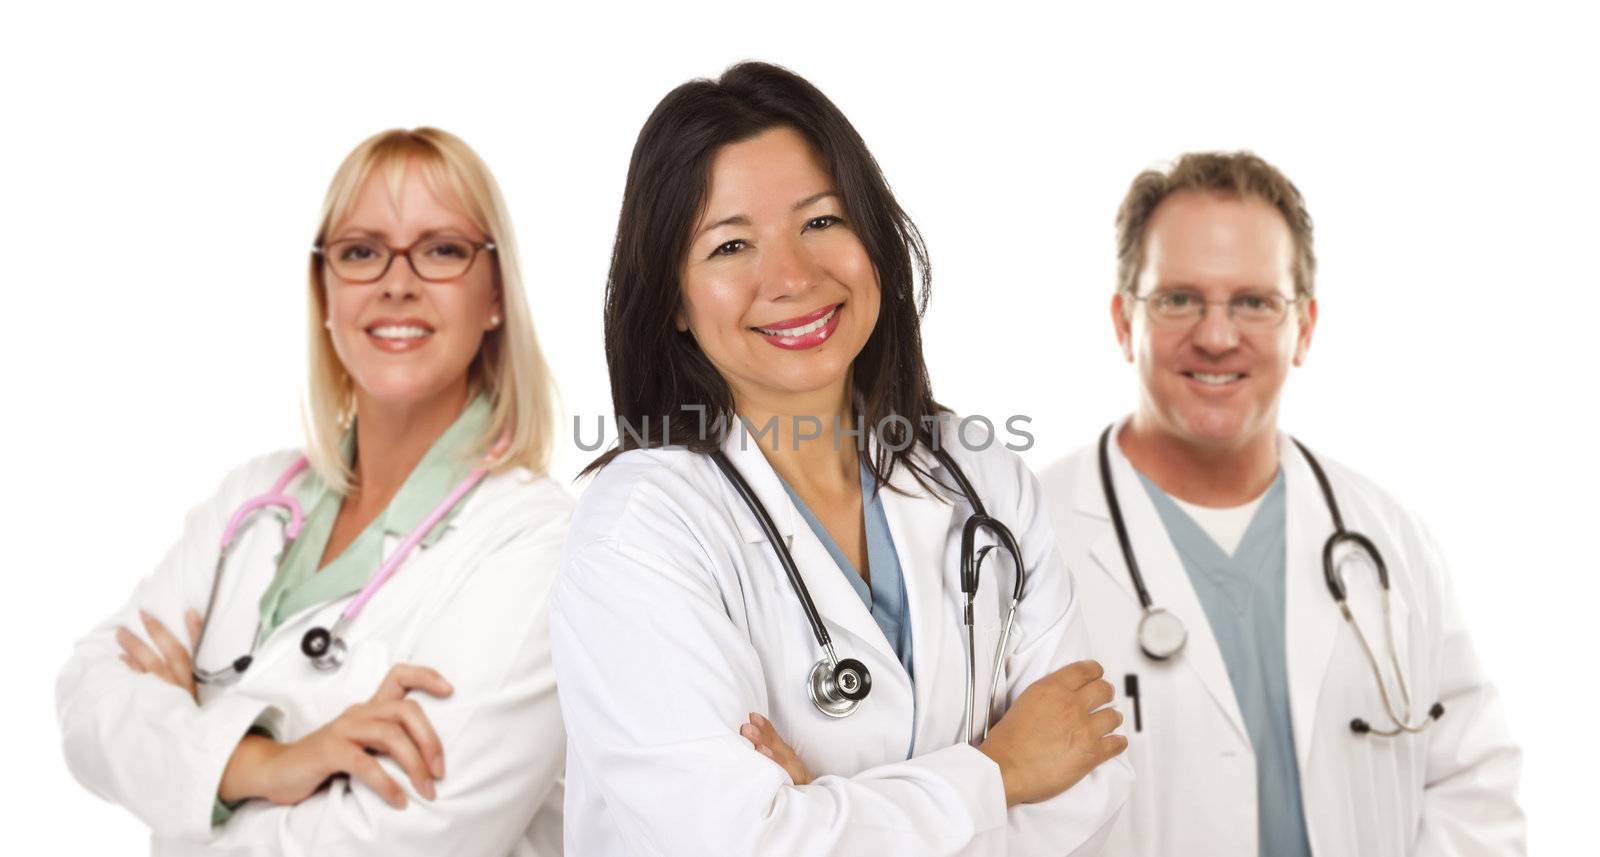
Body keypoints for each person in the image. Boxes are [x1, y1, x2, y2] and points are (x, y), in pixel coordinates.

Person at [550, 62, 1133, 857]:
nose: (791, 276)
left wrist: (827, 811)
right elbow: (734, 843)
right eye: (730, 245)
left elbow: (1087, 778)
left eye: (821, 222)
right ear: (675, 302)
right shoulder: (642, 529)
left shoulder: (981, 477)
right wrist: (999, 771)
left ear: (876, 240)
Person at [56, 128, 571, 855]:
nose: (398, 282)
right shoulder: (255, 499)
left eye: (442, 249)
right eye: (361, 251)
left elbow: (407, 835)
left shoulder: (539, 542)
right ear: (323, 289)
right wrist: (266, 762)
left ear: (495, 295)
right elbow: (86, 700)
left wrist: (187, 756)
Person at [1040, 151, 1524, 856]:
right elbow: (984, 809)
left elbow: (1473, 781)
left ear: (1305, 326)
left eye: (1254, 301)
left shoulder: (1388, 539)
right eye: (1178, 298)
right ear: (1122, 321)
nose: (1216, 335)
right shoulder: (1029, 545)